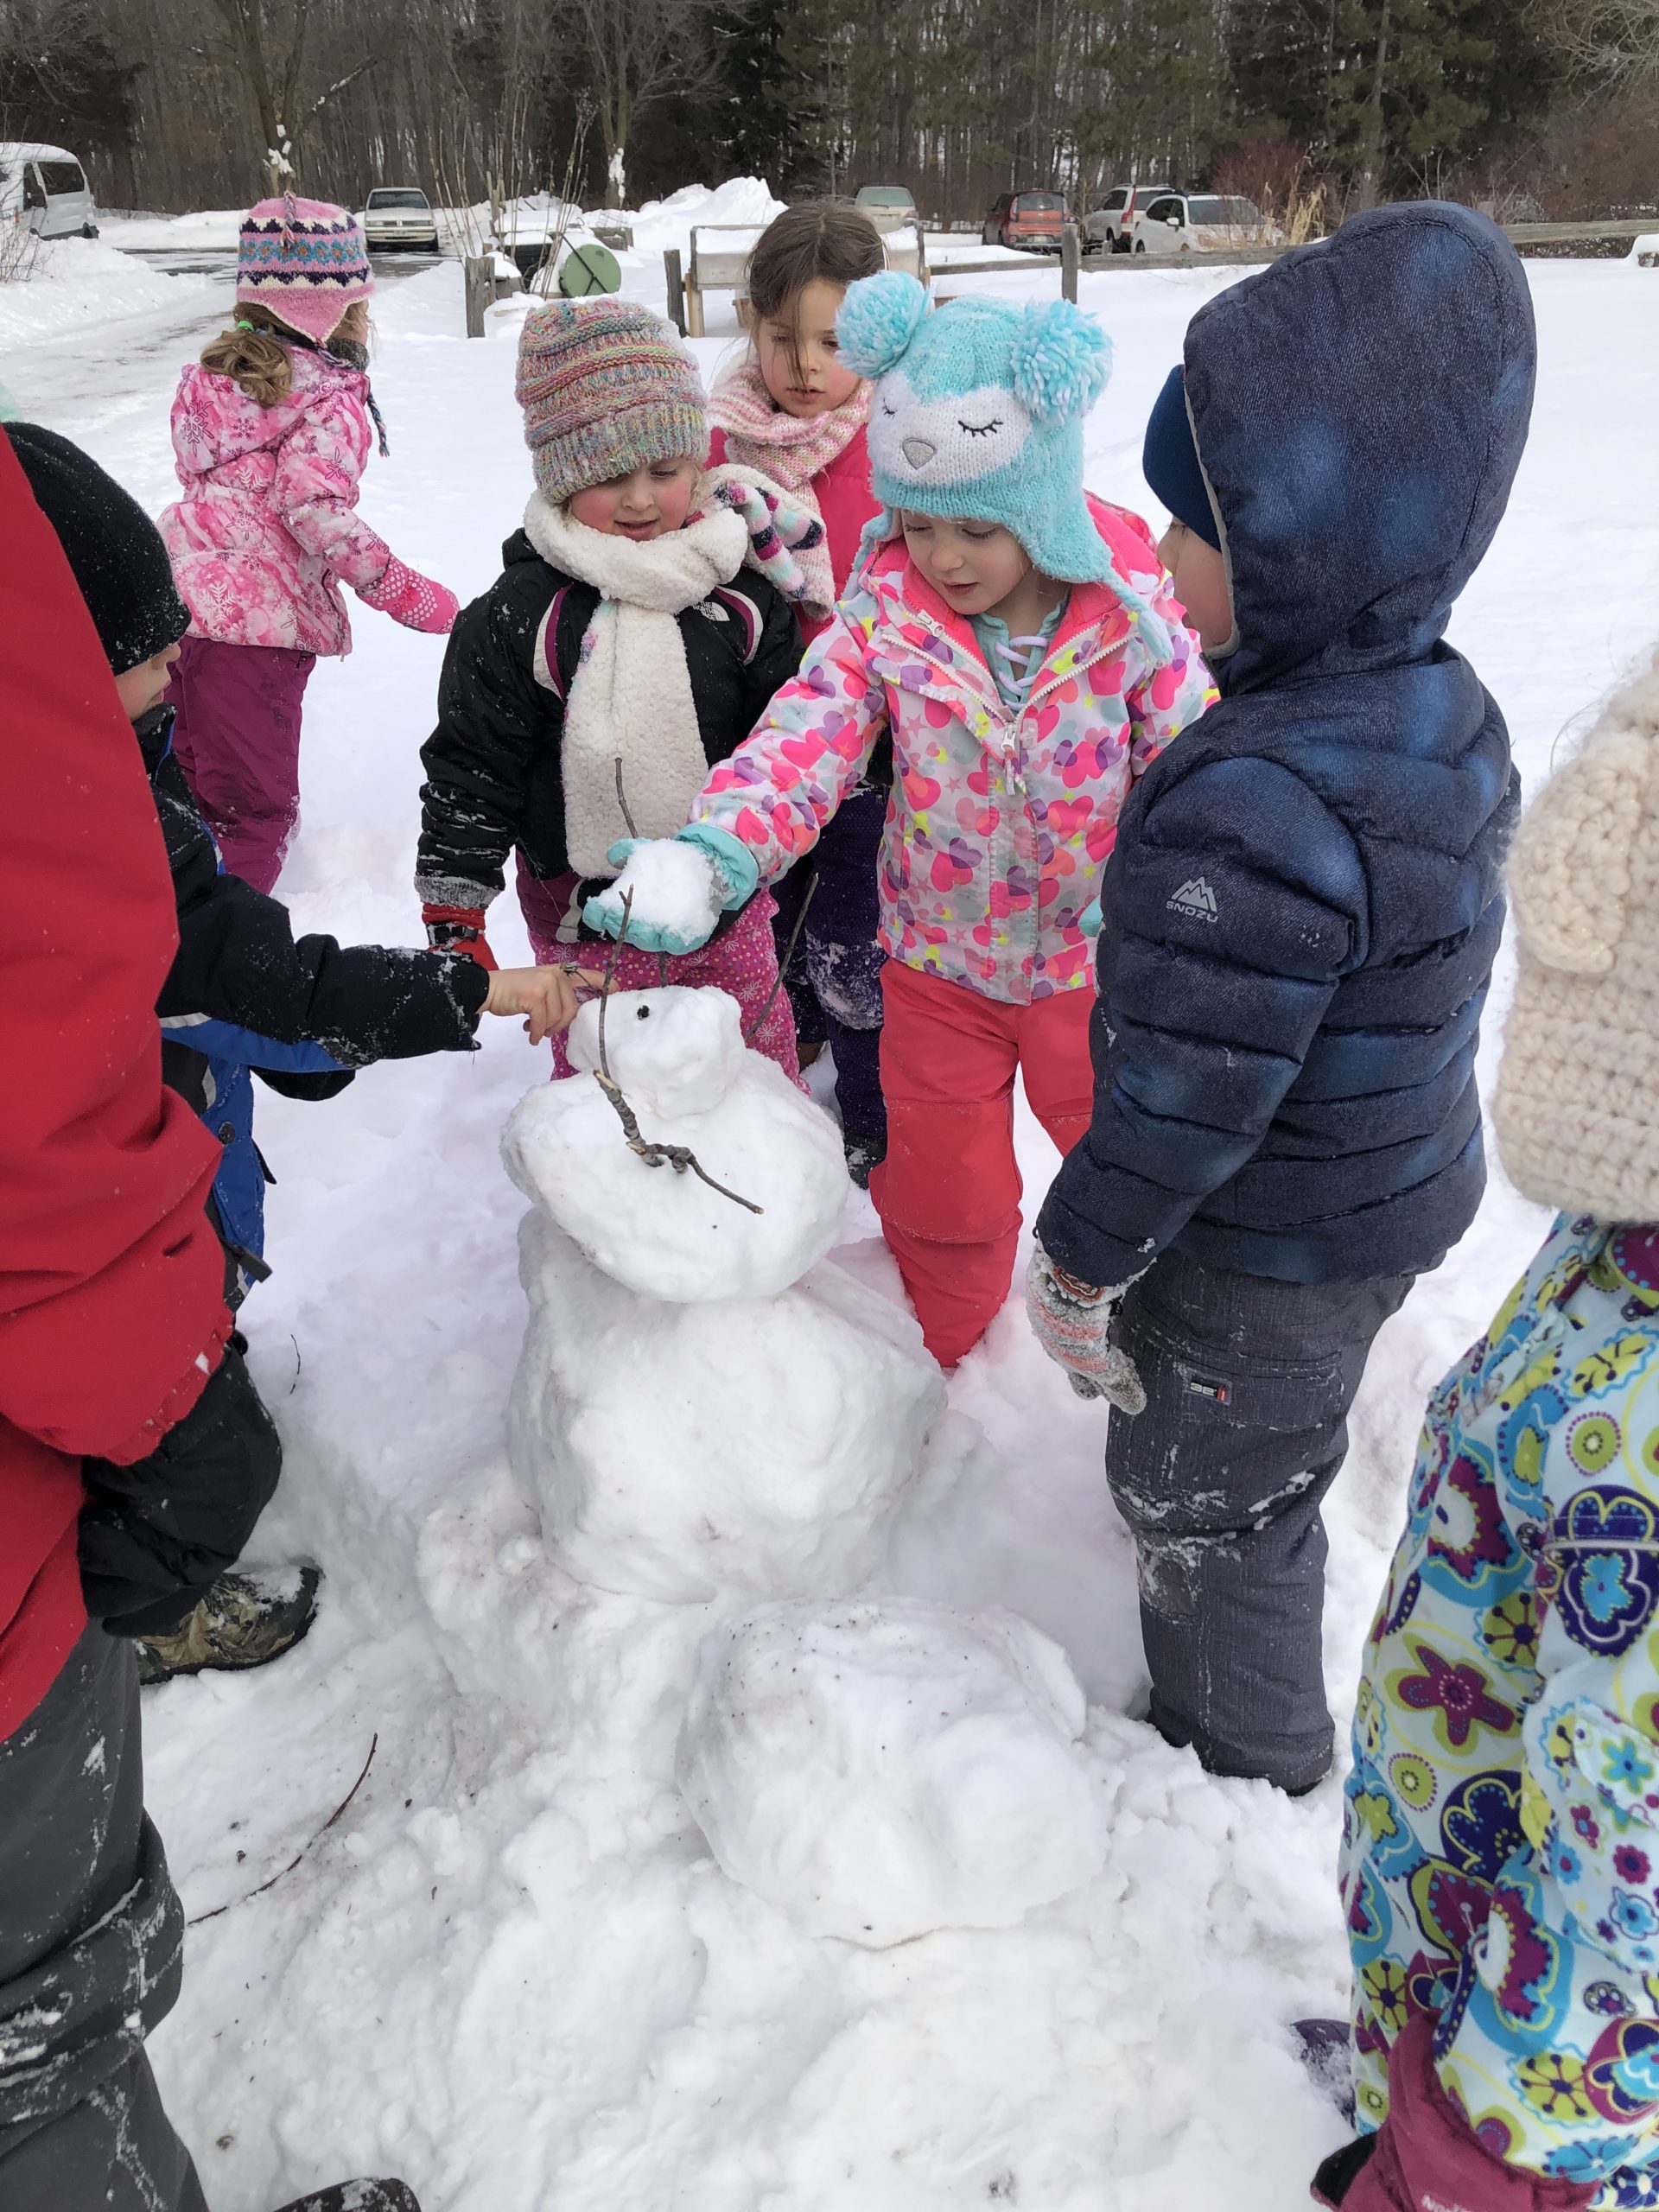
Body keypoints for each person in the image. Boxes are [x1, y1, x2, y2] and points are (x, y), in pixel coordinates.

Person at [1025, 202, 1536, 1796]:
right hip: (1386, 1188)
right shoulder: (1439, 700)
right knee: (1269, 1439)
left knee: (1213, 1499)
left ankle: (1244, 1766)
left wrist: (1079, 1263)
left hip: (1265, 1243)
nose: (1160, 559)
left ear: (1308, 550)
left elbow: (1187, 1108)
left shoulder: (1258, 801)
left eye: (1201, 530)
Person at [0, 425, 420, 2212]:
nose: (169, 703)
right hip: (69, 1393)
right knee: (35, 2026)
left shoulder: (113, 773)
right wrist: (175, 1403)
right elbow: (39, 1107)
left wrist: (389, 1004)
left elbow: (199, 934)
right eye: (133, 680)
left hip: (105, 1318)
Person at [8, 419, 579, 1683]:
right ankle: (130, 1636)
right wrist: (429, 998)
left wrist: (380, 1019)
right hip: (81, 1239)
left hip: (155, 1191)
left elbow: (228, 968)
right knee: (213, 1463)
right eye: (150, 657)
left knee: (172, 1402)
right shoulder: (59, 847)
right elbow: (221, 966)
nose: (178, 671)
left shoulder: (113, 780)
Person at [583, 273, 1214, 1369]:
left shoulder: (1130, 617)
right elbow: (807, 734)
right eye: (919, 523)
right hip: (940, 966)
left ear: (1043, 505)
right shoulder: (887, 610)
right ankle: (949, 1356)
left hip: (1100, 968)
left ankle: (1165, 1345)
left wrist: (1193, 908)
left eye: (978, 526)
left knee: (1131, 1176)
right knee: (942, 1188)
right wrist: (717, 848)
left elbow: (1194, 774)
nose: (944, 556)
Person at [1313, 648, 1659, 2212]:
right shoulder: (1626, 1244)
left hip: (1535, 2099)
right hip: (1463, 1923)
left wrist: (1481, 2141)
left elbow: (1631, 1898)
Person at [415, 296, 815, 1080]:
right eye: (608, 478)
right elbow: (473, 766)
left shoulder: (739, 592)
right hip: (578, 910)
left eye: (664, 472)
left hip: (723, 897)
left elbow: (786, 739)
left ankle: (765, 1175)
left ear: (696, 465)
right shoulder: (521, 616)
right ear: (562, 480)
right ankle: (607, 1181)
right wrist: (455, 907)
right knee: (608, 1067)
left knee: (743, 1052)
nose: (639, 500)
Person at [160, 194, 458, 894]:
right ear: (333, 308)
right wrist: (400, 588)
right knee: (253, 811)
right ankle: (223, 961)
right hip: (256, 634)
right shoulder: (329, 397)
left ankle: (169, 927)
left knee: (184, 790)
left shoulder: (206, 388)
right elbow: (312, 508)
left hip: (171, 615)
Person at [709, 200, 891, 1180]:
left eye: (834, 341)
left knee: (857, 936)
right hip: (758, 741)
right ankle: (799, 1035)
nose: (809, 365)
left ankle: (872, 1111)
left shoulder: (905, 438)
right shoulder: (719, 444)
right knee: (778, 910)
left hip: (871, 743)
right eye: (786, 339)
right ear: (752, 324)